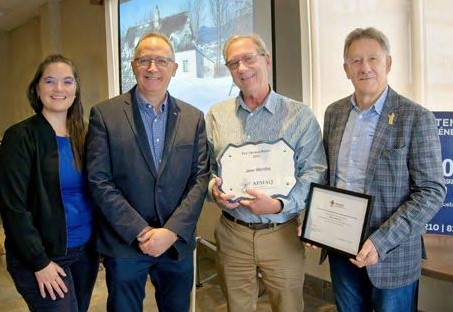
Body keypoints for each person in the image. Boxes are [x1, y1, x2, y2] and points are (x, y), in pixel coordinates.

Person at [322, 27, 446, 312]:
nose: (364, 68)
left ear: (388, 63)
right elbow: (328, 178)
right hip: (340, 249)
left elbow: (431, 191)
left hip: (392, 254)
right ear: (346, 69)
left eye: (373, 59)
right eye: (356, 61)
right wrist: (316, 221)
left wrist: (380, 242)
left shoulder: (416, 117)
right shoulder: (334, 113)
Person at [86, 32, 209, 312]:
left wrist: (171, 231)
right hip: (125, 244)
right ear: (133, 66)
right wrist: (140, 231)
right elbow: (99, 180)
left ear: (174, 68)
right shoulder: (105, 115)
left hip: (176, 244)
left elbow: (200, 179)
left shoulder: (193, 117)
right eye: (145, 60)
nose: (153, 68)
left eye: (162, 61)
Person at [205, 34, 327, 312]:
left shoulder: (300, 115)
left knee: (288, 307)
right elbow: (205, 169)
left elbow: (315, 173)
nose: (242, 68)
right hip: (232, 233)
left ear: (267, 60)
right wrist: (213, 188)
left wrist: (279, 204)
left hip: (281, 234)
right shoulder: (216, 115)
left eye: (249, 58)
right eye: (233, 63)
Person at [0, 54, 99, 311]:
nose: (59, 88)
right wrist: (39, 262)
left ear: (76, 90)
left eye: (67, 81)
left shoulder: (86, 134)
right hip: (45, 256)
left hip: (84, 253)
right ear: (37, 88)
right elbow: (13, 208)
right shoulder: (20, 137)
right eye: (50, 81)